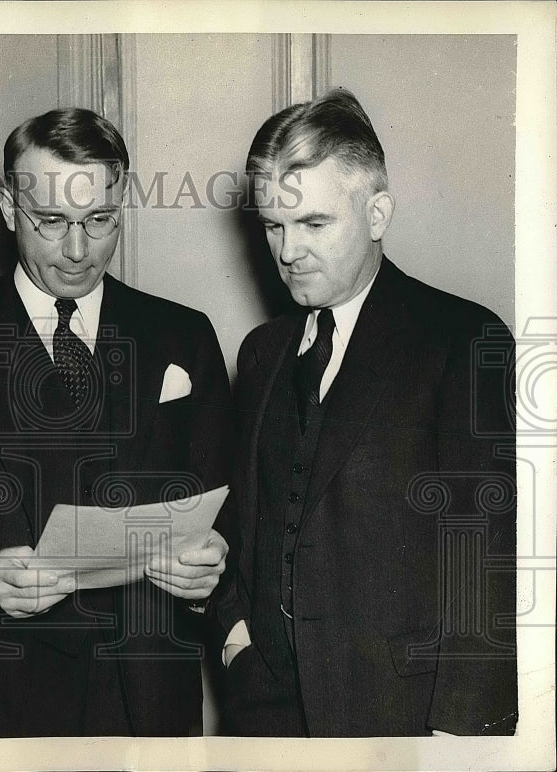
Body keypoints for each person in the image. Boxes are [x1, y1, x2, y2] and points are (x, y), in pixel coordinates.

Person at [0, 107, 235, 737]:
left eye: (100, 220)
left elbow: (222, 507)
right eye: (51, 222)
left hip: (150, 701)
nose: (78, 251)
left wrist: (209, 569)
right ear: (6, 208)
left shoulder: (184, 334)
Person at [215, 89, 517, 736]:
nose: (288, 250)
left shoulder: (461, 340)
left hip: (400, 717)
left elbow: (482, 558)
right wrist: (235, 636)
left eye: (315, 224)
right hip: (266, 712)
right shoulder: (263, 353)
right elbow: (244, 523)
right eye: (273, 225)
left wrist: (460, 736)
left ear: (377, 212)